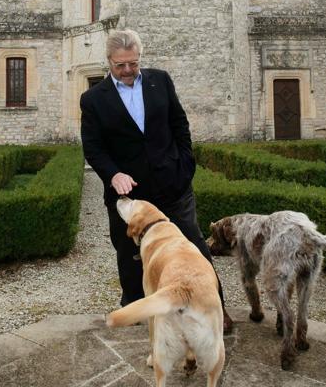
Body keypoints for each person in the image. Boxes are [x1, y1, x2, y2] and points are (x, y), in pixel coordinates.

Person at [80, 29, 233, 332]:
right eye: (120, 65)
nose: (127, 71)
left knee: (195, 245)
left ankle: (217, 309)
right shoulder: (93, 99)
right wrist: (113, 175)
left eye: (133, 64)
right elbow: (93, 148)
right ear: (108, 61)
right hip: (129, 196)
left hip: (172, 184)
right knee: (129, 254)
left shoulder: (159, 80)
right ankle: (136, 308)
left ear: (139, 59)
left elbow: (179, 124)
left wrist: (185, 165)